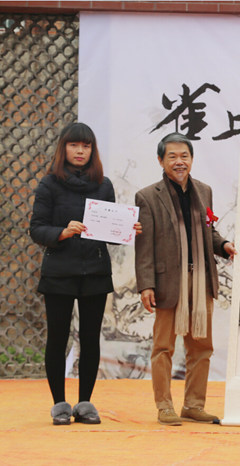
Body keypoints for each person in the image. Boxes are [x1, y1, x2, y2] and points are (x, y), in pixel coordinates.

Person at [30, 122, 142, 425]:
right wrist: (62, 232)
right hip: (59, 272)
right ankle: (59, 404)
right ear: (63, 148)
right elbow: (37, 228)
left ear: (92, 150)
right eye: (74, 145)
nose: (80, 151)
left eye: (86, 146)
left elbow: (109, 232)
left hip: (94, 271)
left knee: (91, 338)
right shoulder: (49, 184)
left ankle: (85, 403)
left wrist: (127, 229)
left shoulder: (103, 185)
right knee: (57, 338)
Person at [135, 132, 236, 426]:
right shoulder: (147, 196)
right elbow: (144, 245)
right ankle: (164, 406)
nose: (179, 162)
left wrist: (223, 245)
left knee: (201, 348)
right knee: (163, 348)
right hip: (168, 283)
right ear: (160, 160)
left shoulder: (204, 191)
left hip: (201, 281)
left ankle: (193, 405)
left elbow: (208, 231)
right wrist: (146, 285)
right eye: (172, 157)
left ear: (192, 159)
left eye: (185, 156)